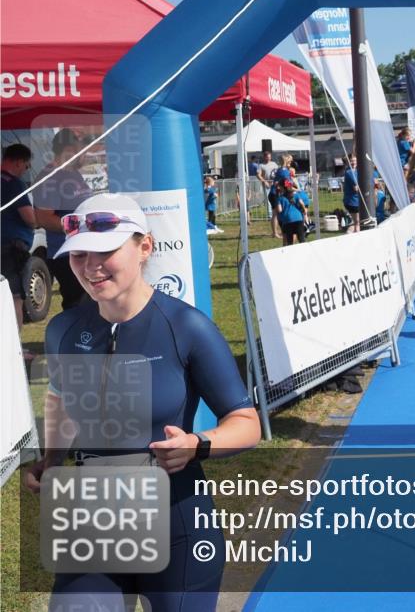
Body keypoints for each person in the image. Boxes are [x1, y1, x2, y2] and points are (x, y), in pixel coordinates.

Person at [24, 193, 260, 612]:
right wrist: (52, 459)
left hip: (176, 523)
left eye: (106, 252)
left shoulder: (186, 327)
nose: (90, 266)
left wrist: (197, 444)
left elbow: (246, 422)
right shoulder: (63, 329)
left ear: (145, 246)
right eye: (79, 255)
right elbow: (60, 396)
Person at [33, 129, 92, 310]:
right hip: (66, 255)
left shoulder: (73, 173)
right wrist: (81, 225)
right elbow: (44, 218)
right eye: (81, 150)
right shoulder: (49, 177)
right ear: (68, 149)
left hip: (86, 250)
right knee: (77, 307)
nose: (84, 156)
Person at [1, 144, 38, 351]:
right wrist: (39, 221)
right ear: (18, 162)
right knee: (14, 297)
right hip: (10, 249)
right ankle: (14, 349)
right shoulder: (14, 184)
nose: (26, 169)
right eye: (27, 165)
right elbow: (29, 218)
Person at [275, 180, 307, 246]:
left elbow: (280, 210)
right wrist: (304, 211)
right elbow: (301, 203)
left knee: (290, 241)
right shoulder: (296, 195)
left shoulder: (280, 198)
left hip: (287, 221)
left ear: (282, 188)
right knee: (301, 239)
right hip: (298, 218)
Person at [256, 151, 279, 237]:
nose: (268, 158)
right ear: (264, 157)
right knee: (269, 200)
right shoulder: (261, 165)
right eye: (267, 157)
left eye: (270, 157)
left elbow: (277, 172)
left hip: (274, 184)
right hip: (266, 185)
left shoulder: (274, 164)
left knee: (276, 200)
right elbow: (258, 175)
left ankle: (276, 213)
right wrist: (264, 181)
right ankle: (270, 215)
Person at [342, 154, 362, 232]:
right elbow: (356, 188)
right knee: (357, 222)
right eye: (352, 161)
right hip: (352, 202)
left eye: (355, 161)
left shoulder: (356, 171)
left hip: (354, 201)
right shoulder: (349, 172)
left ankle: (350, 233)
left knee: (356, 222)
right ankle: (352, 235)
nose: (354, 163)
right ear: (348, 162)